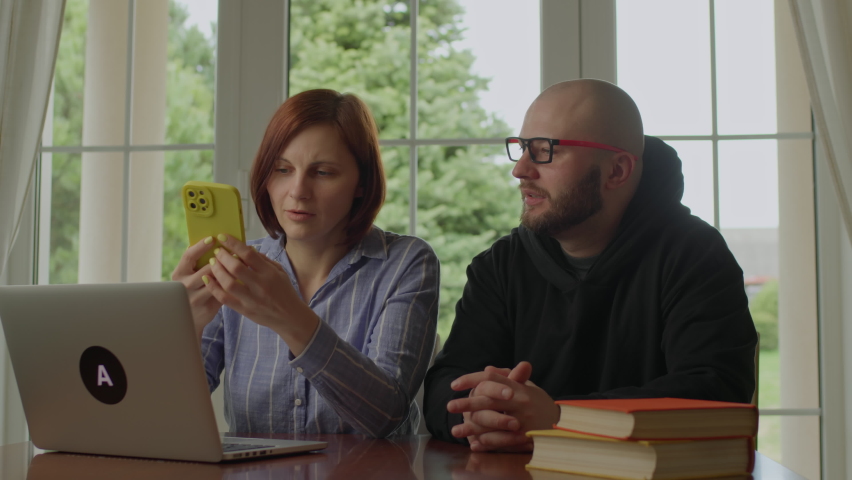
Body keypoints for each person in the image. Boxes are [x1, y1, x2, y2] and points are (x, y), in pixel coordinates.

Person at [423, 79, 757, 451]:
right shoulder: (500, 266)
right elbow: (445, 386)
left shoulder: (695, 256)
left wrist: (560, 420)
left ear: (617, 171)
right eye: (520, 148)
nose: (521, 170)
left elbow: (716, 392)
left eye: (545, 150)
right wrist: (480, 413)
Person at [172, 89, 440, 438]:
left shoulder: (406, 263)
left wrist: (290, 318)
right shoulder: (232, 268)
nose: (298, 190)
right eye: (282, 169)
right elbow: (166, 414)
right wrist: (183, 329)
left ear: (361, 183)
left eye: (323, 172)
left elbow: (386, 414)